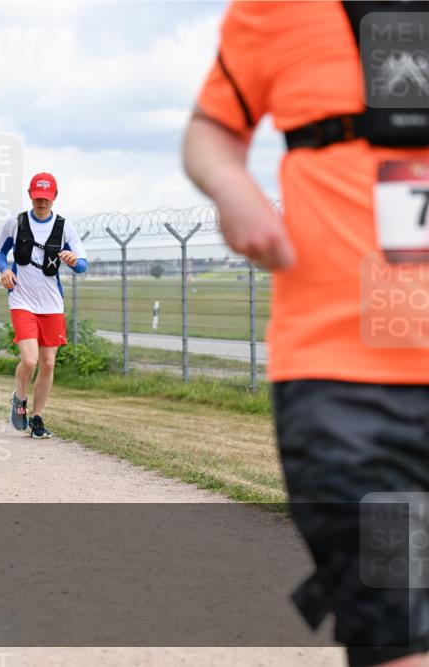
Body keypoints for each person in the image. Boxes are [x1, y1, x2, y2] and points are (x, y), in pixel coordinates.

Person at [182, 3, 429, 666]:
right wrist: (231, 185)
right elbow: (211, 128)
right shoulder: (277, 8)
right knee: (400, 639)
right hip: (351, 389)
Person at [0, 172, 88, 439]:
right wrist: (4, 270)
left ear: (55, 197)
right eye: (37, 198)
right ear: (30, 195)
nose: (42, 202)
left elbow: (83, 264)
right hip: (21, 299)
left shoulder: (65, 227)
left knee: (48, 364)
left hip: (51, 304)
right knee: (30, 359)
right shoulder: (16, 222)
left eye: (46, 198)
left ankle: (37, 418)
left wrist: (72, 261)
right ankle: (20, 397)